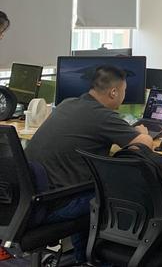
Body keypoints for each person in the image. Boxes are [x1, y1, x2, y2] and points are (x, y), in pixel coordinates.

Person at [25, 66, 152, 262]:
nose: (124, 96)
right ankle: (104, 259)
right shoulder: (102, 115)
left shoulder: (67, 104)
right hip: (55, 205)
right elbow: (145, 145)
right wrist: (142, 132)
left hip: (29, 202)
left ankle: (84, 258)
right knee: (126, 193)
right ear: (114, 92)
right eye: (124, 91)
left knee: (88, 185)